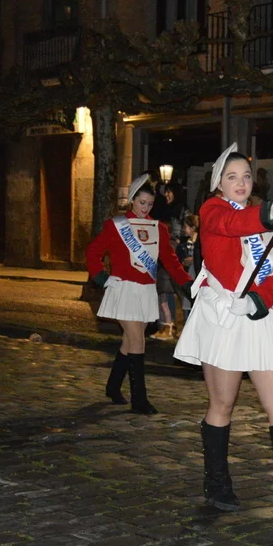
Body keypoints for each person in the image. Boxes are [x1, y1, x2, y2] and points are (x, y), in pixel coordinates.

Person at [173, 144, 273, 518]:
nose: (241, 183)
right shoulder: (213, 211)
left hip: (259, 315)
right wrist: (272, 211)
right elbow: (232, 225)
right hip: (224, 316)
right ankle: (217, 484)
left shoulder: (262, 218)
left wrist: (259, 301)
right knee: (223, 404)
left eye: (246, 176)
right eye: (232, 177)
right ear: (219, 184)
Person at [87, 174, 192, 414]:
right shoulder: (116, 225)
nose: (146, 208)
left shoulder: (159, 229)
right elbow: (93, 252)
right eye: (142, 202)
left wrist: (186, 283)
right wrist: (101, 277)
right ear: (132, 200)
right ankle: (139, 399)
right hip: (123, 289)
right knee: (137, 340)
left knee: (129, 340)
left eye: (150, 204)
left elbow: (170, 260)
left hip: (146, 291)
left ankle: (113, 386)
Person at [175, 213, 200, 320]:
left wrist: (194, 259)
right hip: (188, 277)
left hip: (197, 277)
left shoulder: (201, 243)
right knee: (187, 305)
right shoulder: (183, 244)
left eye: (186, 226)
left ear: (193, 227)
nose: (184, 229)